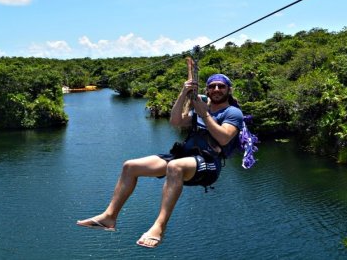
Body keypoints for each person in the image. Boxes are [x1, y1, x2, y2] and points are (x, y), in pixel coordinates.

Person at [77, 73, 244, 248]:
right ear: (207, 90)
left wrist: (204, 114)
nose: (216, 89)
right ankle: (109, 217)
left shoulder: (232, 112)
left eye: (221, 86)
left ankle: (159, 227)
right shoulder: (202, 109)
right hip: (185, 157)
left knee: (174, 166)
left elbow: (224, 138)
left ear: (228, 90)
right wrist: (184, 93)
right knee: (130, 166)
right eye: (212, 86)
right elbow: (175, 121)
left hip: (208, 164)